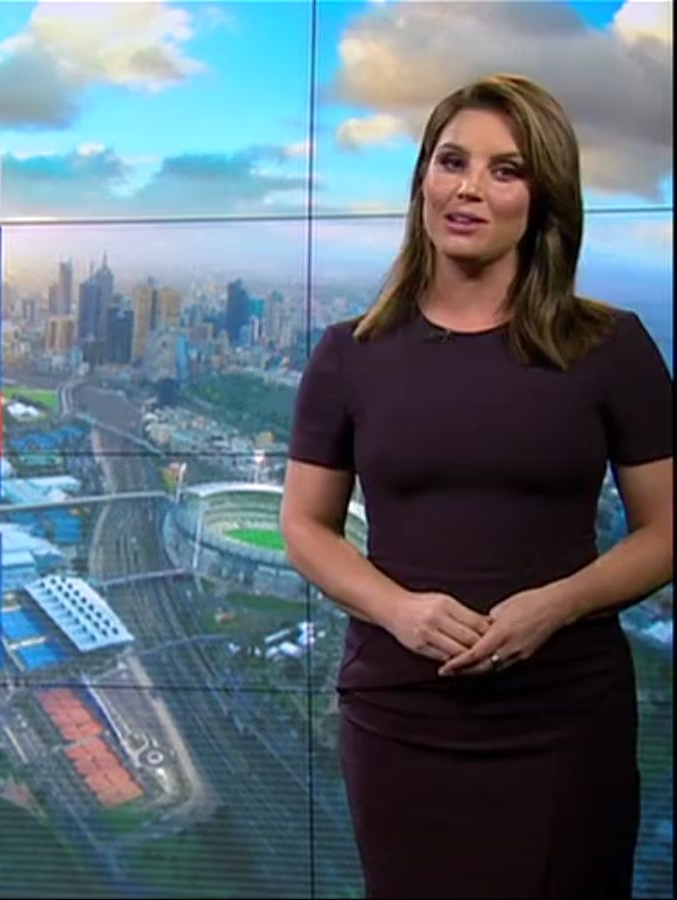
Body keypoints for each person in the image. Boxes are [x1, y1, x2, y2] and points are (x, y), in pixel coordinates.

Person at [280, 73, 673, 899]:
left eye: (506, 170)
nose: (469, 188)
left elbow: (666, 531)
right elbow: (306, 527)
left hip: (564, 719)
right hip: (401, 717)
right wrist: (399, 611)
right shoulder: (349, 354)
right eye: (452, 161)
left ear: (545, 197)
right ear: (422, 178)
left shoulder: (613, 348)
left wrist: (557, 605)